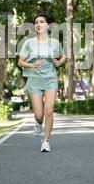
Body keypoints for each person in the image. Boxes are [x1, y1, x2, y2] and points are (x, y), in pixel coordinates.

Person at [18, 13, 66, 152]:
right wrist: (32, 65)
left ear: (48, 25)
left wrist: (60, 62)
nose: (38, 24)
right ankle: (38, 123)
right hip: (34, 81)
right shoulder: (29, 43)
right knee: (39, 115)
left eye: (42, 22)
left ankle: (45, 141)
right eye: (36, 22)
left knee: (49, 111)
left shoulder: (55, 43)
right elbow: (20, 62)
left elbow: (63, 56)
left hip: (50, 79)